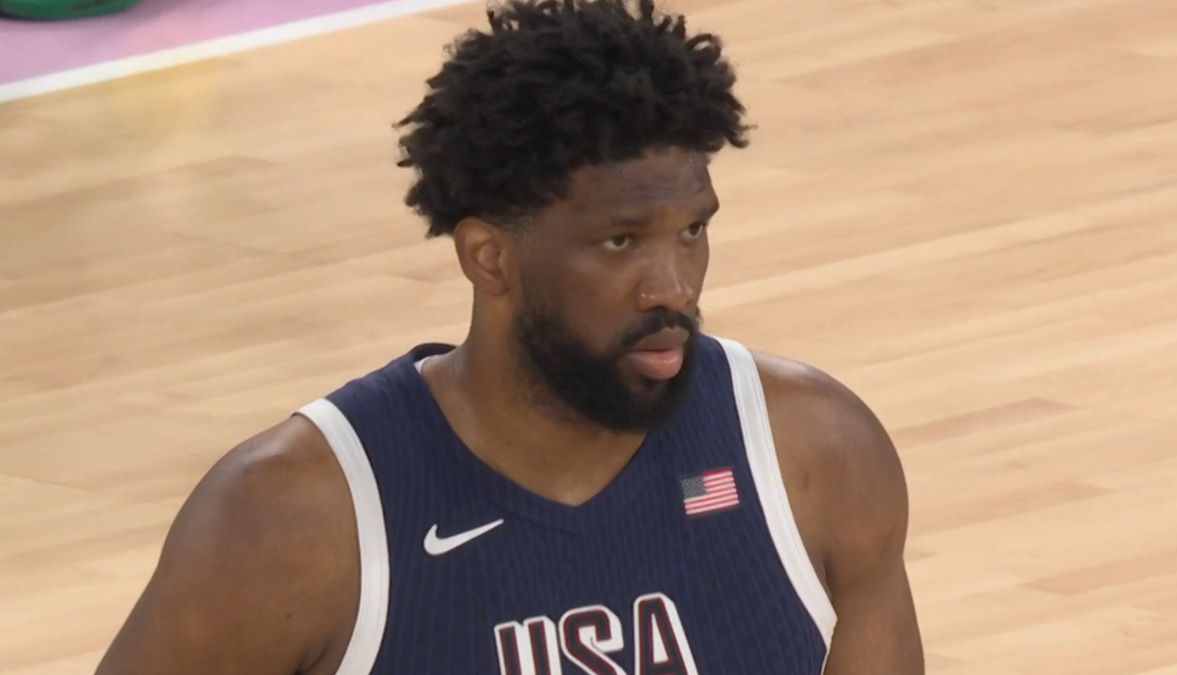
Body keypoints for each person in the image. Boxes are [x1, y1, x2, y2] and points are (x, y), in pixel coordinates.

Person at [96, 1, 923, 673]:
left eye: (694, 231)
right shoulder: (294, 516)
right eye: (621, 241)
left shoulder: (815, 454)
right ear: (488, 257)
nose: (672, 287)